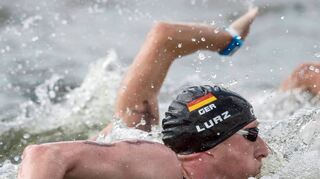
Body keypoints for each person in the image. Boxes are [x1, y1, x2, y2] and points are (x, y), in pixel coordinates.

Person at [18, 8, 269, 179]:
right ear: (210, 148)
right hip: (115, 153)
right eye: (252, 135)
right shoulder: (158, 165)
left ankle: (227, 38)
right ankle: (227, 38)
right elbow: (42, 153)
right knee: (135, 122)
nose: (266, 149)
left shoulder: (212, 157)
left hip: (128, 142)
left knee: (137, 116)